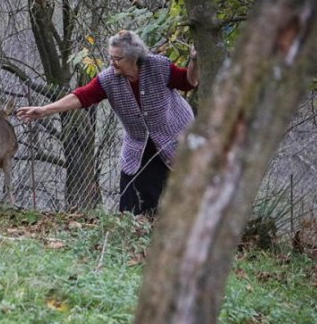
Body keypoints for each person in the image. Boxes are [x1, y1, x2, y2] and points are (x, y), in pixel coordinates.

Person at [16, 30, 198, 216]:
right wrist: (45, 110)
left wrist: (194, 60)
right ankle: (134, 239)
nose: (112, 62)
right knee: (131, 207)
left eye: (117, 58)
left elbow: (188, 81)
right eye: (110, 57)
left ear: (133, 57)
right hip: (139, 148)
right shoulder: (109, 79)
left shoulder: (158, 67)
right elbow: (82, 96)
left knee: (181, 204)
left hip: (177, 142)